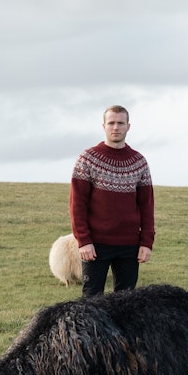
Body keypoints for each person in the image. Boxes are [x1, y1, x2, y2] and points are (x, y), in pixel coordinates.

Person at [69, 105, 155, 298]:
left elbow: (146, 206)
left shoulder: (138, 162)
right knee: (91, 301)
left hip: (130, 245)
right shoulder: (87, 159)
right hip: (96, 245)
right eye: (111, 123)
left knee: (127, 302)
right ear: (104, 126)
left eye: (120, 123)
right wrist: (83, 241)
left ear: (128, 126)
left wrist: (146, 243)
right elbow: (77, 205)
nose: (116, 127)